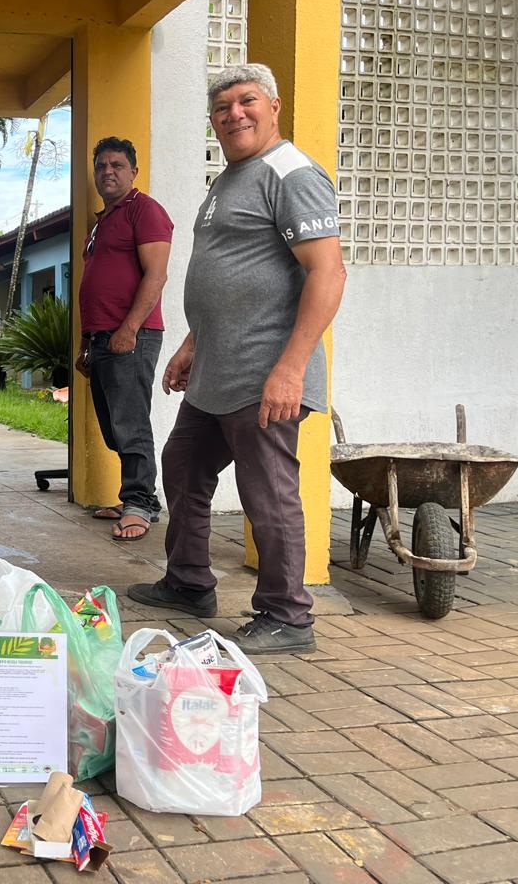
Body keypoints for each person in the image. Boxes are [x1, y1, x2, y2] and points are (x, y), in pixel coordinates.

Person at [128, 63, 347, 654]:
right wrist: (193, 344)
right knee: (183, 466)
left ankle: (287, 615)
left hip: (264, 371)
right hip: (217, 370)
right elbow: (227, 273)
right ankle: (189, 583)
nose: (235, 115)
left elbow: (327, 272)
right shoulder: (230, 179)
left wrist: (292, 366)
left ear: (273, 106)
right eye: (222, 108)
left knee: (268, 494)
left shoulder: (291, 173)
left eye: (247, 101)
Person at [74, 137, 172, 542]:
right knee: (115, 425)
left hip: (131, 335)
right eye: (101, 166)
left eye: (117, 165)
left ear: (134, 171)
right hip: (101, 338)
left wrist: (128, 329)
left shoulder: (145, 211)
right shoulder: (102, 221)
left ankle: (141, 502)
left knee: (130, 422)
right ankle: (134, 493)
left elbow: (156, 275)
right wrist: (87, 343)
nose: (108, 171)